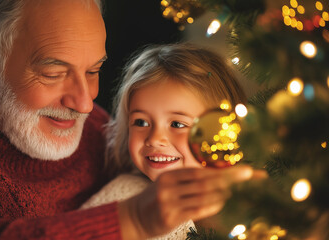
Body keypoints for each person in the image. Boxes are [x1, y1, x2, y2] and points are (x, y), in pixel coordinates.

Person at [0, 0, 256, 239]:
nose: (84, 104)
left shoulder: (97, 135)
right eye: (53, 72)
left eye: (94, 71)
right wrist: (133, 219)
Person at [81, 43, 248, 239]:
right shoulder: (125, 196)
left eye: (177, 124)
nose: (154, 139)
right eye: (141, 122)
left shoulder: (252, 205)